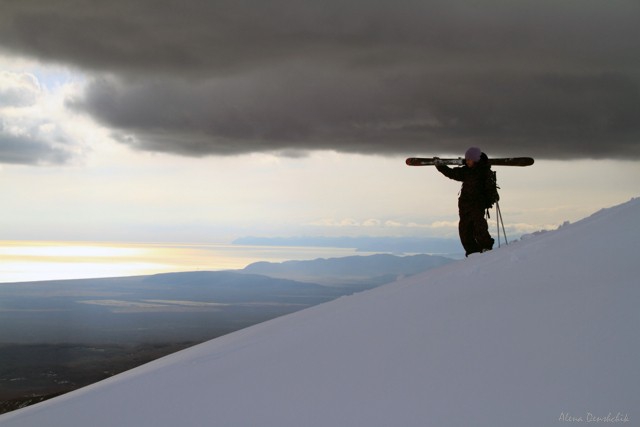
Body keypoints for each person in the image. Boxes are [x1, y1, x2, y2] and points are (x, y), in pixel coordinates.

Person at [435, 147, 495, 257]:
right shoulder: (466, 171)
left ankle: (486, 248)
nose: (467, 161)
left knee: (479, 227)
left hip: (477, 205)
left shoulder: (484, 172)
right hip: (464, 206)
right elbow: (451, 173)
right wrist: (440, 166)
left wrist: (489, 199)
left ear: (476, 159)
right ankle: (472, 253)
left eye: (470, 159)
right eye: (466, 159)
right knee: (464, 230)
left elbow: (490, 189)